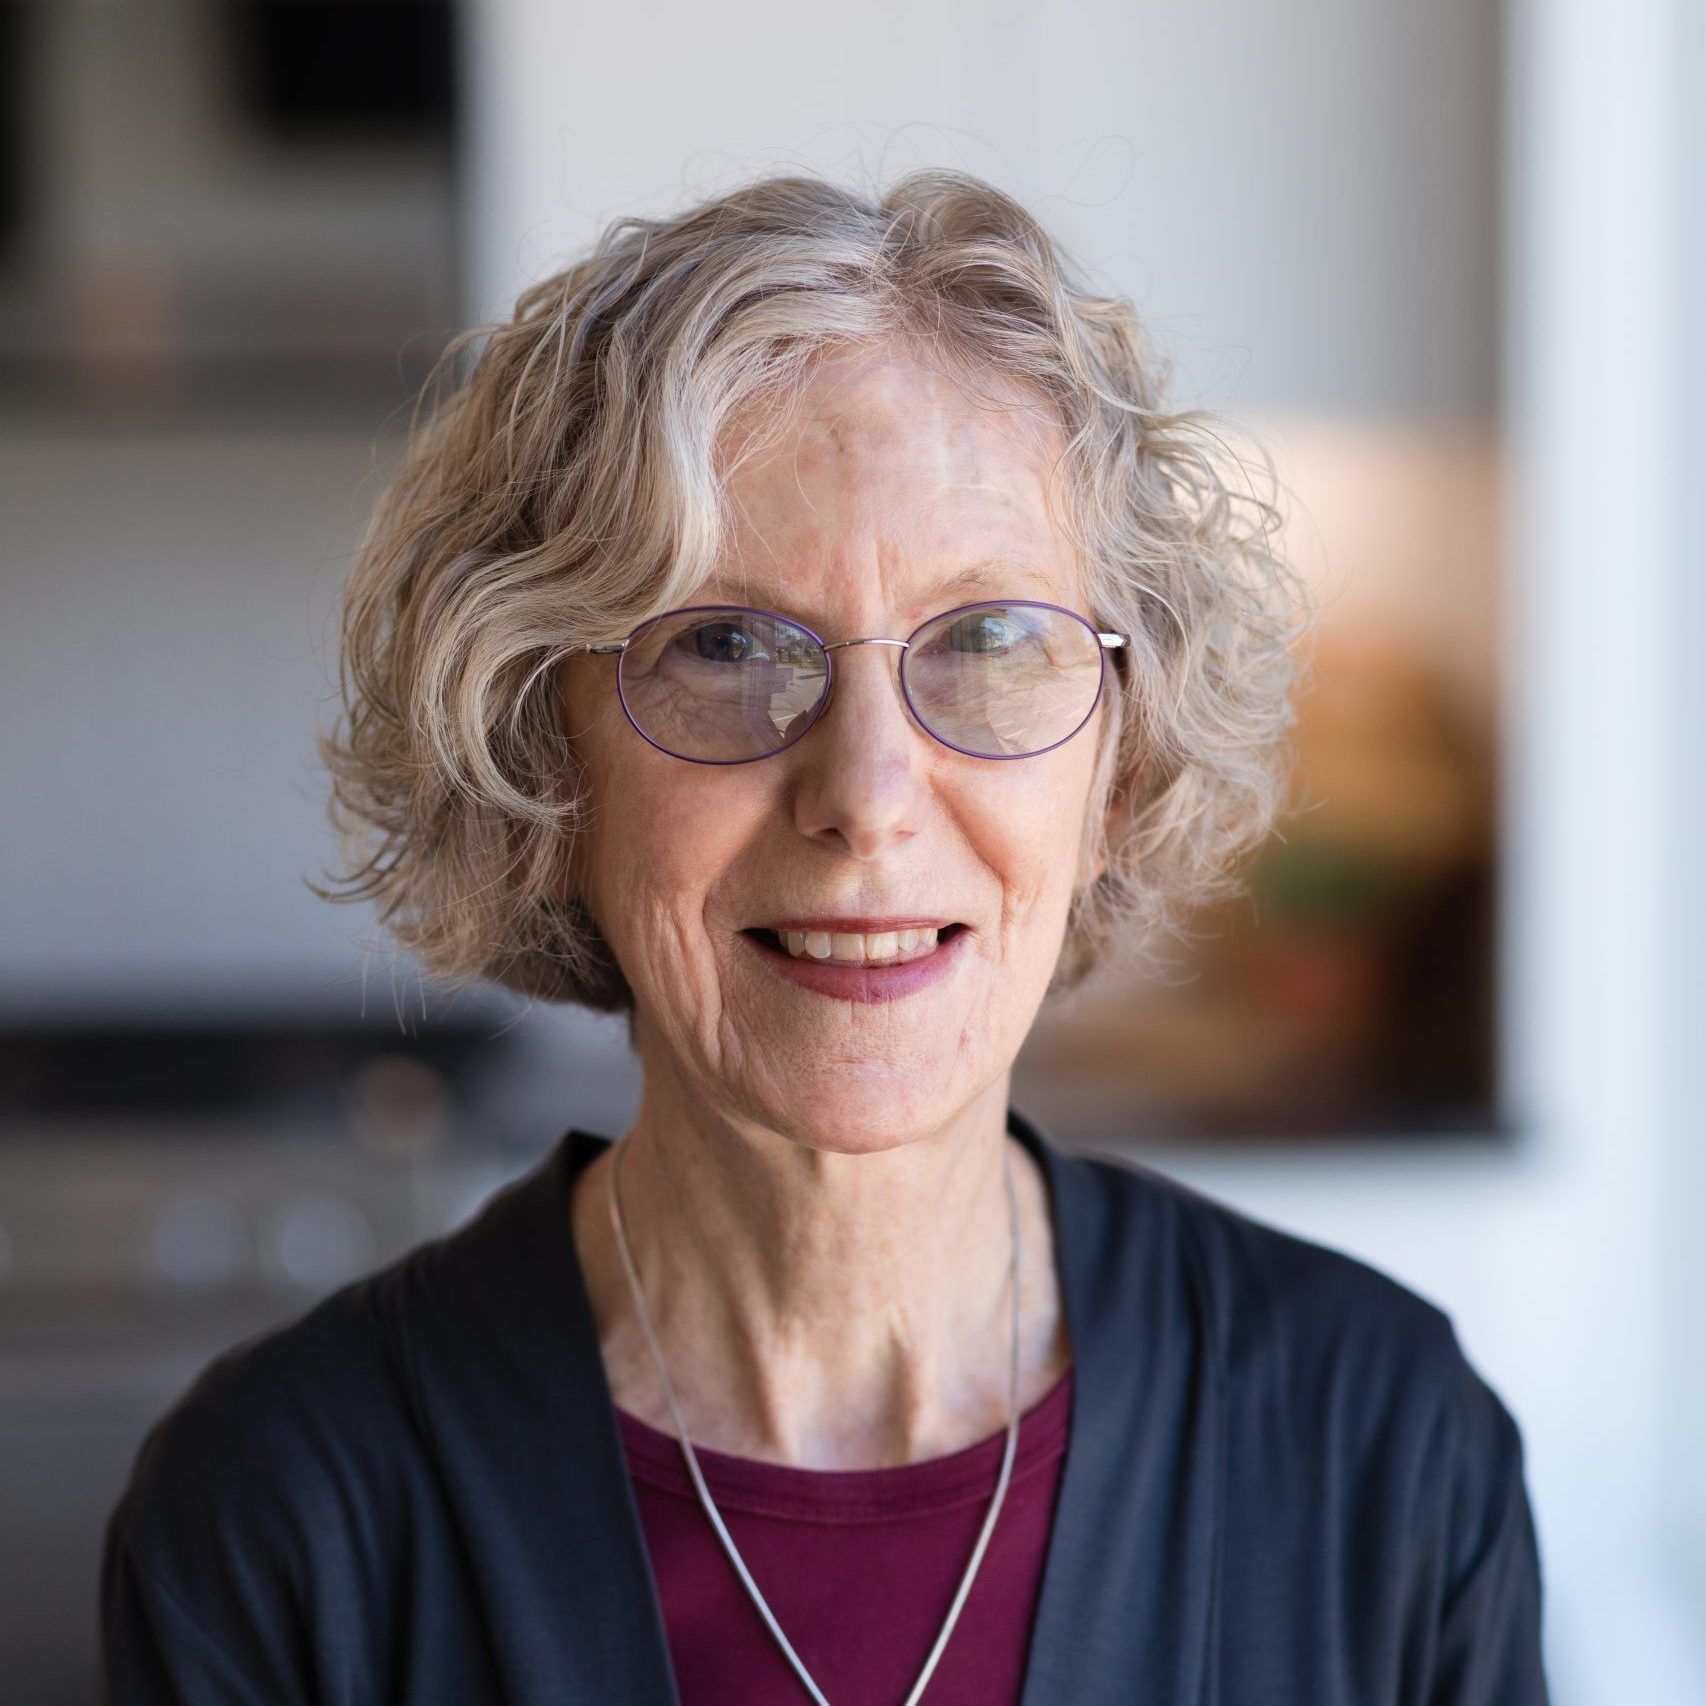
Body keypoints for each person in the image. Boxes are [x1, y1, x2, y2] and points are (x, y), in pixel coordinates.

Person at [97, 168, 1549, 1704]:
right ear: (541, 761)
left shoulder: (1381, 1450)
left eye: (989, 644)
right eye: (725, 647)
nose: (864, 797)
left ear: (1115, 770)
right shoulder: (285, 1519)